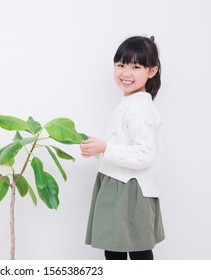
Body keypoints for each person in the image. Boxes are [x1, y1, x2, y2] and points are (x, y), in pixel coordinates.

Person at [80, 35, 165, 260]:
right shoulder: (129, 103)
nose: (126, 73)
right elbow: (121, 148)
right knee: (116, 246)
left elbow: (143, 155)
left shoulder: (140, 109)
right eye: (120, 65)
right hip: (117, 183)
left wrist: (104, 148)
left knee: (135, 248)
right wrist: (98, 149)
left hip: (130, 188)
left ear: (151, 71)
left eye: (136, 66)